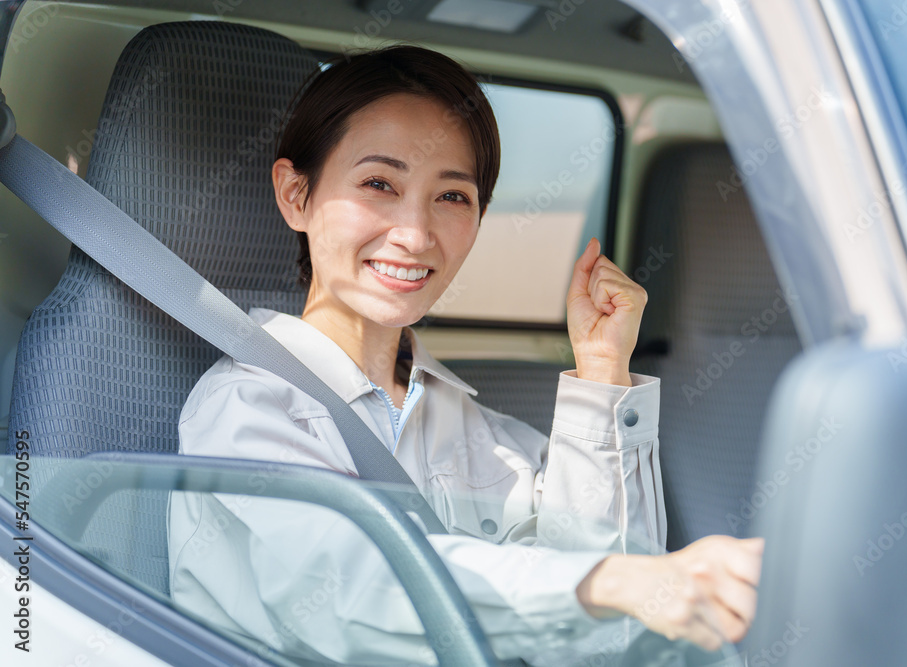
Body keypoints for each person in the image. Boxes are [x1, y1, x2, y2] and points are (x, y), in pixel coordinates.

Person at [167, 44, 763, 666]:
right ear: (296, 195)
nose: (416, 234)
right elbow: (343, 593)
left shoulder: (480, 430)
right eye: (378, 184)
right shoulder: (245, 409)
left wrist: (601, 371)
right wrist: (606, 585)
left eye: (451, 197)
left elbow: (608, 618)